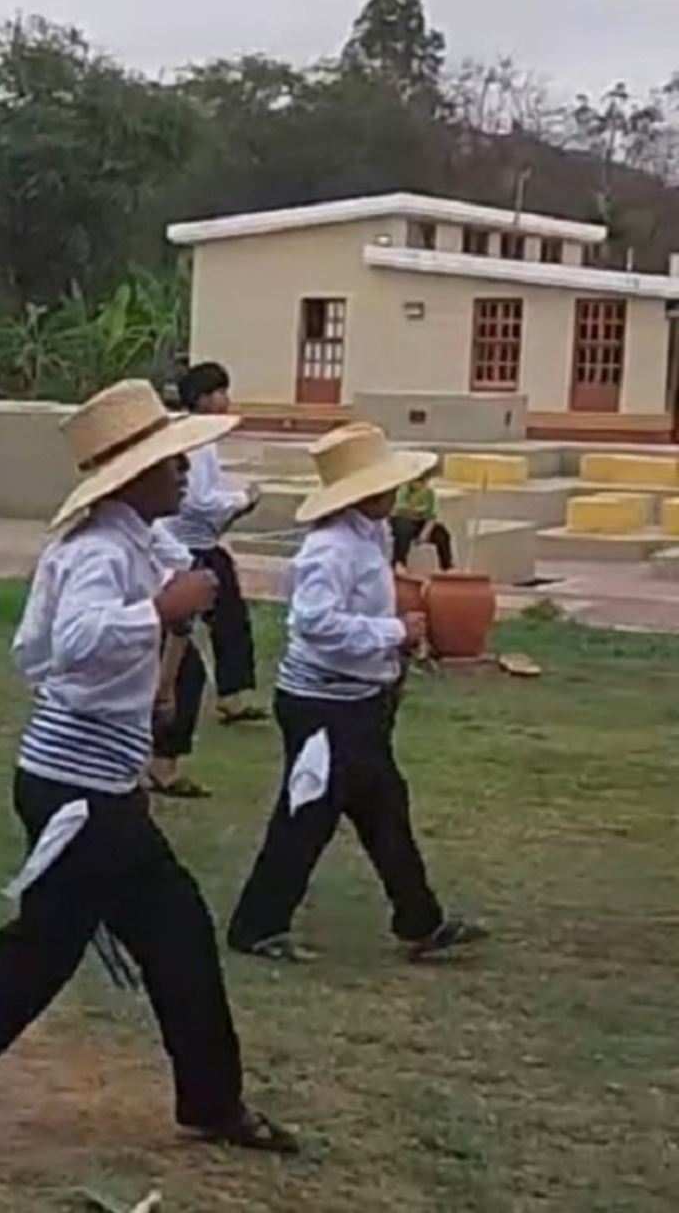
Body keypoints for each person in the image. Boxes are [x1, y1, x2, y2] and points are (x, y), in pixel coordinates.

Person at [0, 380, 297, 1162]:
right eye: (170, 464)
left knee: (174, 931)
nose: (185, 474)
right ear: (132, 477)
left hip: (92, 784)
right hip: (80, 791)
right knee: (39, 955)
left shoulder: (130, 542)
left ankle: (211, 1098)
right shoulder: (99, 551)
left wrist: (156, 653)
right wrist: (157, 614)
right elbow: (73, 638)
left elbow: (51, 644)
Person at [227, 424, 487, 965]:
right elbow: (314, 622)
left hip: (359, 700)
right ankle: (257, 924)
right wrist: (394, 633)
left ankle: (420, 919)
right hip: (325, 704)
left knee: (383, 808)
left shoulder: (369, 538)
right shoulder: (330, 550)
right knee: (308, 812)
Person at [153, 361, 267, 799]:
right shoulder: (195, 441)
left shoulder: (202, 439)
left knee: (228, 618)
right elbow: (197, 502)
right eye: (220, 392)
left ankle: (231, 695)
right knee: (184, 660)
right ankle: (160, 761)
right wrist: (242, 500)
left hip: (188, 550)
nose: (226, 400)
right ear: (201, 397)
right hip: (187, 551)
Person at [390, 468, 455, 572]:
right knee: (404, 528)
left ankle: (446, 566)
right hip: (402, 521)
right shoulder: (402, 490)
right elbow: (398, 510)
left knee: (442, 534)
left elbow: (431, 516)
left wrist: (425, 532)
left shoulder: (428, 493)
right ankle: (399, 562)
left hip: (421, 523)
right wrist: (415, 512)